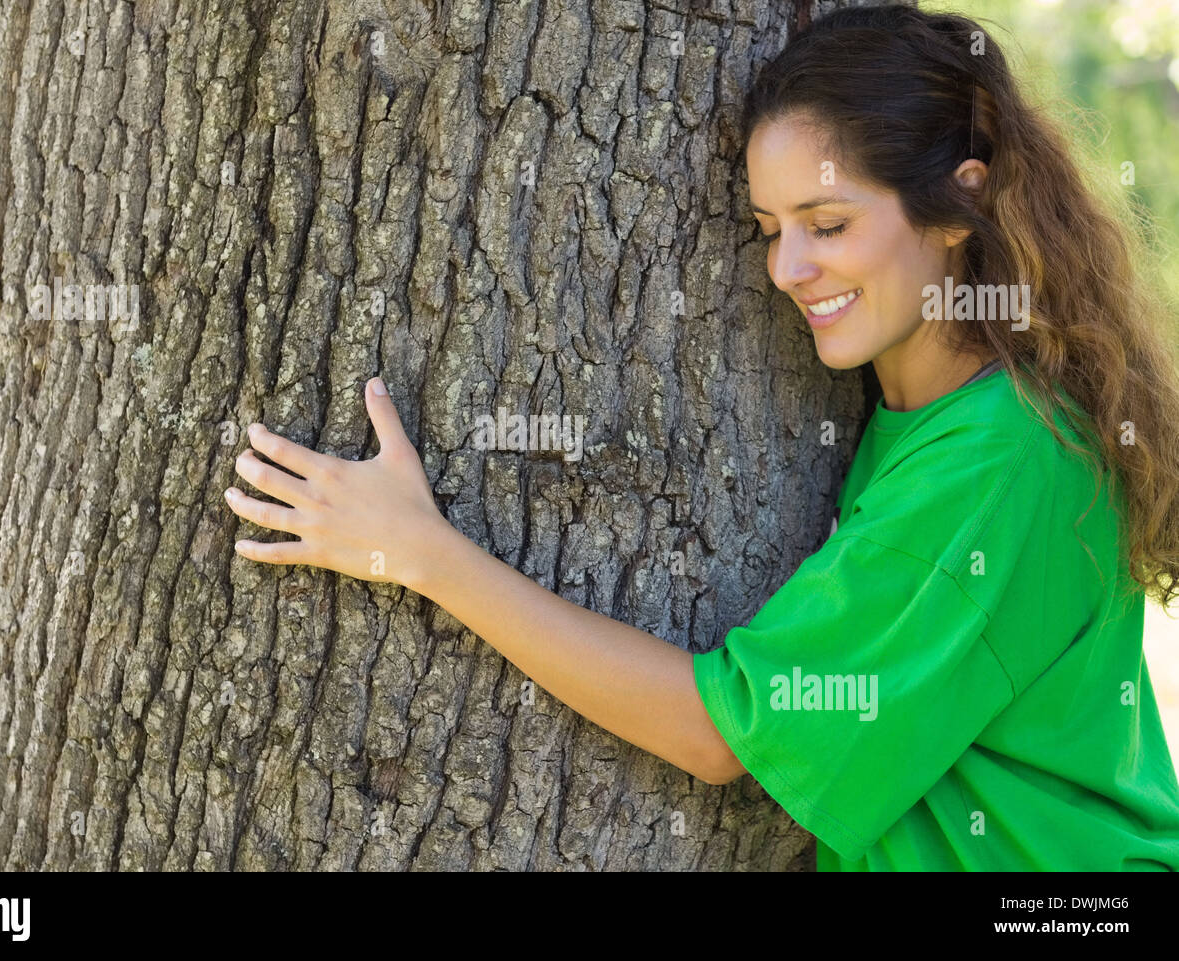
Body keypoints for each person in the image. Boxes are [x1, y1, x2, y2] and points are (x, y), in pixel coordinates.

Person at [222, 4, 1179, 870]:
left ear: (956, 211)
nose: (789, 267)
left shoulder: (998, 458)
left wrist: (424, 552)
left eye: (829, 223)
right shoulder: (943, 414)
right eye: (770, 226)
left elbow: (717, 732)